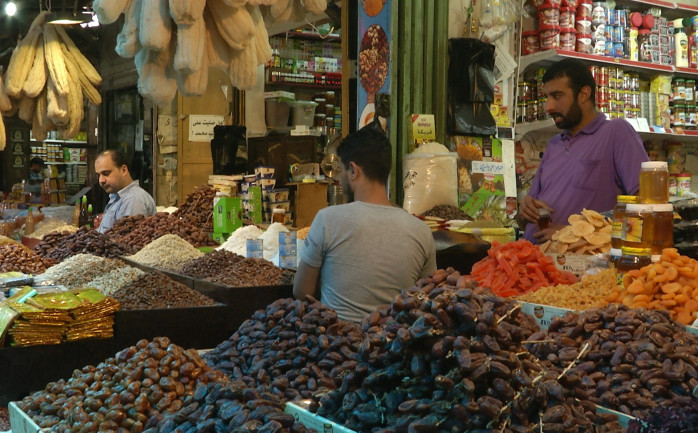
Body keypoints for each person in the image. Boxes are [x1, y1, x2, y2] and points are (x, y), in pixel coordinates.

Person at [293, 128, 437, 324]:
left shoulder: (328, 220)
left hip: (338, 345)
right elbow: (427, 297)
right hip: (394, 347)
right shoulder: (421, 230)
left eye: (341, 171)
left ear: (353, 170)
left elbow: (301, 292)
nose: (340, 179)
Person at [520, 58, 649, 244]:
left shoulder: (616, 132)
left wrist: (573, 233)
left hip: (579, 266)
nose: (548, 107)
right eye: (546, 97)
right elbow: (527, 218)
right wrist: (525, 209)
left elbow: (645, 207)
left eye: (556, 96)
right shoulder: (554, 144)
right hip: (531, 261)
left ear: (583, 94)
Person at [94, 149, 156, 233]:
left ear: (123, 170)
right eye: (98, 175)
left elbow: (125, 241)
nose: (101, 180)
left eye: (106, 173)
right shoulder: (118, 197)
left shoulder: (133, 200)